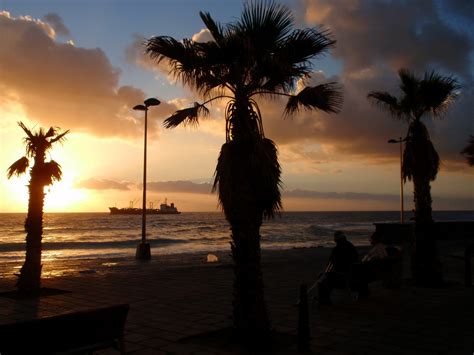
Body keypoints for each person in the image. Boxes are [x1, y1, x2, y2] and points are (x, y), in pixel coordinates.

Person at [316, 231, 359, 305]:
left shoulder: (336, 250)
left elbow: (330, 264)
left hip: (342, 276)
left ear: (336, 240)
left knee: (322, 276)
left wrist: (327, 272)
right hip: (352, 274)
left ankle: (324, 299)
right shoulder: (351, 246)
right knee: (325, 275)